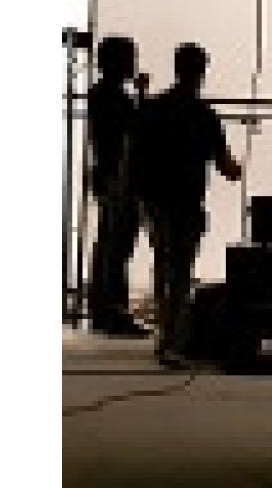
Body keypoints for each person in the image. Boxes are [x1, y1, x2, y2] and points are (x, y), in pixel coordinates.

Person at [134, 42, 242, 365]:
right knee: (181, 271)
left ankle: (165, 333)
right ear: (202, 72)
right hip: (186, 200)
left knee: (164, 264)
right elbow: (227, 167)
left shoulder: (153, 110)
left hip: (155, 198)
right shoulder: (204, 116)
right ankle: (172, 339)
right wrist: (237, 168)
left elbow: (135, 155)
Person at [87, 35, 148, 337]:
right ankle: (113, 310)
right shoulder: (116, 99)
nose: (134, 63)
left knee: (109, 245)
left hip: (108, 176)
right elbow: (136, 131)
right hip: (119, 178)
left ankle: (103, 308)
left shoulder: (99, 94)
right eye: (130, 57)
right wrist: (142, 95)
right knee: (117, 247)